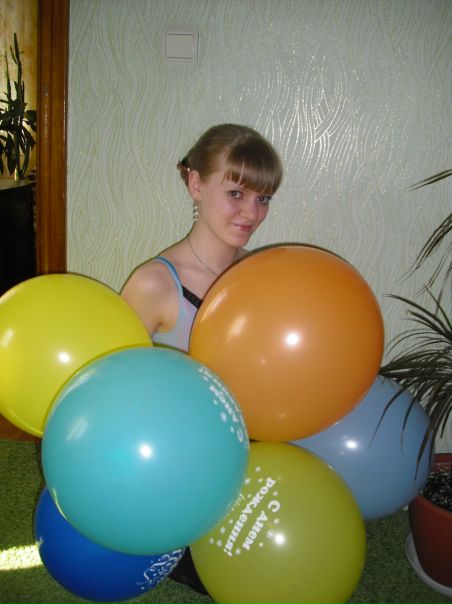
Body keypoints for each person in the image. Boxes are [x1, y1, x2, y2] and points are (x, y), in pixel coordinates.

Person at [120, 122, 283, 592]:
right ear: (195, 184)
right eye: (236, 193)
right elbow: (119, 393)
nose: (251, 213)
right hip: (179, 460)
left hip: (247, 442)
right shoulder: (155, 283)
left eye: (263, 198)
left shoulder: (259, 272)